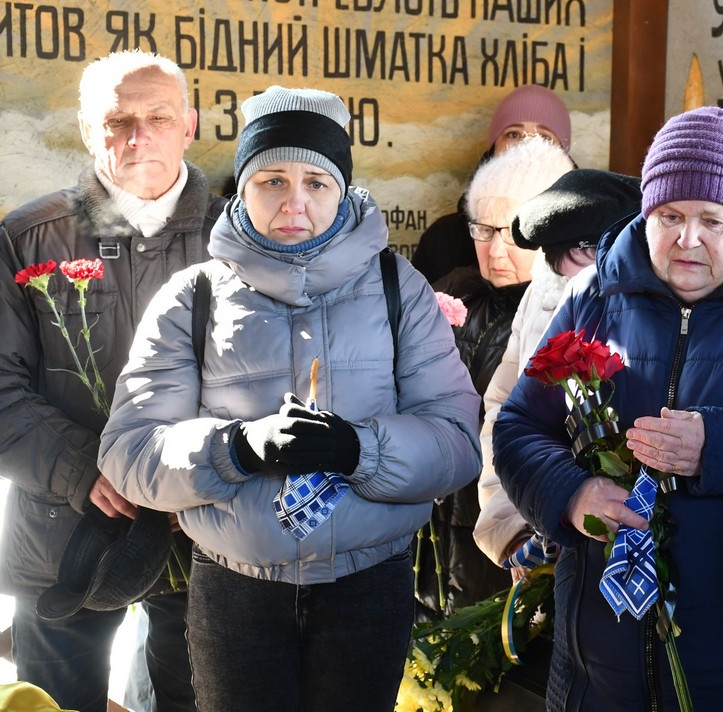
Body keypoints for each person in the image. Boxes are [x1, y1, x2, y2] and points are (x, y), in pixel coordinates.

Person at [96, 86, 482, 711]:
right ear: (242, 188)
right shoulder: (192, 297)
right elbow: (128, 452)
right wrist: (234, 449)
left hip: (369, 586)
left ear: (343, 189)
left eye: (316, 182)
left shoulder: (398, 287)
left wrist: (361, 449)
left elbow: (459, 442)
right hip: (235, 594)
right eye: (272, 179)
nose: (294, 202)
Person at [493, 106, 723, 710]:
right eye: (668, 217)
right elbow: (521, 426)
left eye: (714, 219)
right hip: (596, 667)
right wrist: (570, 494)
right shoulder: (596, 292)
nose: (687, 240)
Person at [0, 50, 225, 712]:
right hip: (65, 534)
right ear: (85, 128)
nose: (138, 136)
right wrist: (85, 472)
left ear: (188, 124)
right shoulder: (26, 238)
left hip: (206, 540)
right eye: (116, 120)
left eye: (157, 117)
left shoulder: (241, 237)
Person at [416, 136, 574, 618]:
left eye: (513, 231)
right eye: (483, 229)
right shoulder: (451, 294)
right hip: (433, 527)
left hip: (510, 535)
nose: (495, 249)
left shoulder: (567, 311)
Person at [473, 167, 643, 578]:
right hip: (543, 524)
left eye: (585, 250)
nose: (570, 272)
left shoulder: (646, 306)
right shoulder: (543, 294)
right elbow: (505, 411)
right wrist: (516, 525)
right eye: (556, 255)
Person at [412, 84, 574, 285]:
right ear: (493, 148)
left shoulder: (588, 243)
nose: (527, 144)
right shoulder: (443, 239)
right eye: (513, 134)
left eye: (544, 137)